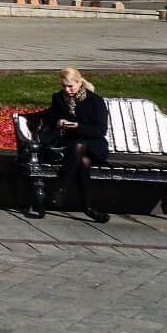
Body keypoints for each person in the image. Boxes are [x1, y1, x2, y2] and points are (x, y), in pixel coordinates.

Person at [32, 66, 110, 223]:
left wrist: (78, 127)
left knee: (79, 146)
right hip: (69, 146)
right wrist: (58, 122)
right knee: (83, 162)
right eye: (64, 86)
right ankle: (88, 207)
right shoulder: (59, 99)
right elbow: (51, 118)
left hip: (94, 145)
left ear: (79, 82)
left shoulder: (95, 101)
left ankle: (60, 190)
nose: (67, 90)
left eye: (70, 86)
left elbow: (100, 130)